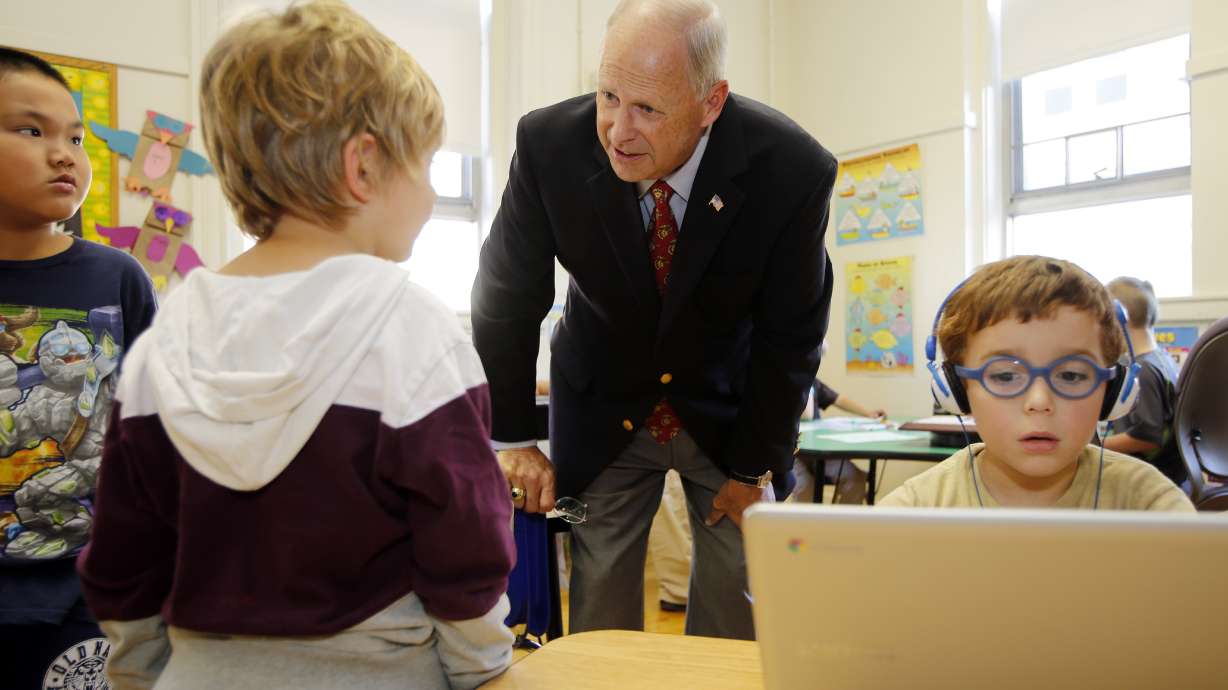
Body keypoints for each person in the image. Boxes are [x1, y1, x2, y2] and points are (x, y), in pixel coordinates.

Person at [75, 3, 515, 688]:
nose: (432, 195)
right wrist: (482, 670)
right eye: (425, 166)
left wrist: (146, 674)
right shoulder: (413, 328)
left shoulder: (162, 343)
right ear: (363, 166)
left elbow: (124, 559)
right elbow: (466, 546)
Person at [472, 0, 836, 639]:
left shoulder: (791, 169)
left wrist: (755, 468)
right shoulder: (548, 145)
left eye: (647, 109)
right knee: (597, 606)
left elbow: (792, 332)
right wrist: (514, 440)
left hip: (731, 414)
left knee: (736, 603)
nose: (617, 130)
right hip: (602, 400)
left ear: (711, 102)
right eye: (608, 95)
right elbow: (506, 296)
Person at [0, 47, 158, 688]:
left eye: (75, 136)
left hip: (85, 593)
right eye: (31, 130)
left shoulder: (116, 276)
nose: (64, 153)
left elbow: (155, 427)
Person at [879, 256, 1193, 511]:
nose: (1039, 401)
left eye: (1071, 375)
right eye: (1005, 375)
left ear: (1113, 392)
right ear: (957, 390)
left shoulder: (1150, 504)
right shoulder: (917, 508)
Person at [1103, 276, 1186, 486]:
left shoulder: (1144, 370)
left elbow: (1146, 436)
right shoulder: (1163, 359)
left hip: (1150, 478)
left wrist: (1094, 445)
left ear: (1121, 318)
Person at [793, 371, 887, 504]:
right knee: (804, 486)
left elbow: (838, 399)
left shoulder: (813, 382)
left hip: (820, 452)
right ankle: (804, 524)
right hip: (793, 455)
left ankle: (844, 523)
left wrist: (868, 413)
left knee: (855, 479)